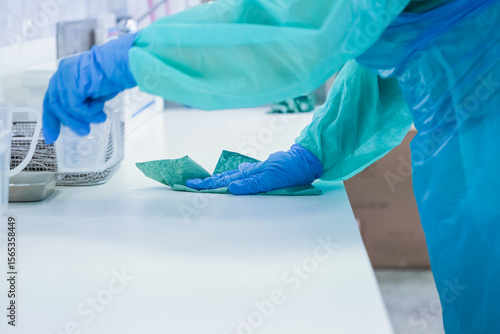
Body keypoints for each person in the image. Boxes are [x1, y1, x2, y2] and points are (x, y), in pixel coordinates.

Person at [43, 0, 500, 332]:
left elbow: (305, 27)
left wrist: (135, 56)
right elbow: (394, 37)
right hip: (470, 125)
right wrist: (317, 147)